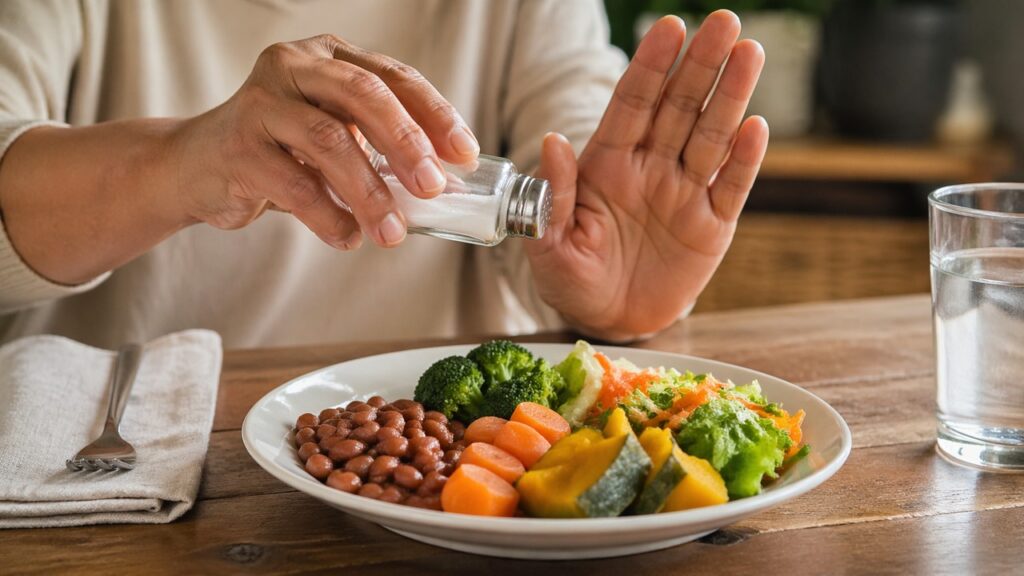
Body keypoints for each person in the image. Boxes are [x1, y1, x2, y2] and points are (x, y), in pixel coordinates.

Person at [0, 1, 766, 349]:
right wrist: (179, 165)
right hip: (113, 472)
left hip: (445, 493)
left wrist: (607, 275)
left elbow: (570, 132)